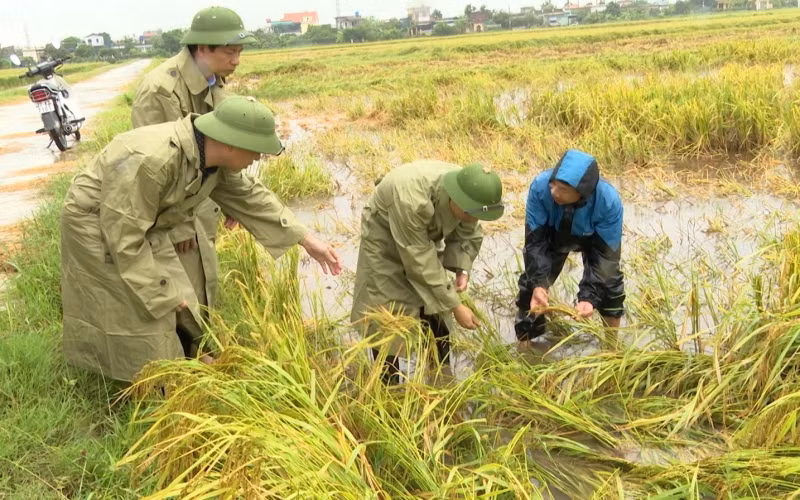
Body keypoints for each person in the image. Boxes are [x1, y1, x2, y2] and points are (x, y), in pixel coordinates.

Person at [61, 96, 341, 382]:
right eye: (256, 151)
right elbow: (124, 236)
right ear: (230, 142)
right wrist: (161, 294)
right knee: (141, 303)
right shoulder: (153, 161)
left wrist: (307, 241)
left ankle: (188, 361)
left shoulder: (212, 157)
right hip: (96, 222)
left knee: (180, 294)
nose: (258, 158)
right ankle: (154, 381)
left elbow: (251, 197)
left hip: (145, 221)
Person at [131, 6, 255, 318]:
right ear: (202, 48)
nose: (236, 60)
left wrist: (231, 202)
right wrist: (180, 226)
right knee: (178, 284)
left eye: (239, 52)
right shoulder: (161, 90)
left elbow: (218, 149)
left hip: (198, 201)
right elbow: (153, 166)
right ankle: (189, 356)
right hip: (173, 210)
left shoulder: (213, 80)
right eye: (230, 52)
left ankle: (201, 350)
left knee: (202, 279)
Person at [351, 161, 504, 384]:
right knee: (387, 309)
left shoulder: (469, 193)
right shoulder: (411, 199)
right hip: (383, 236)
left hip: (420, 234)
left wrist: (463, 269)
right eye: (470, 214)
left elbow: (468, 231)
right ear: (456, 199)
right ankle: (388, 383)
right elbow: (419, 262)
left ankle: (440, 375)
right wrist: (456, 305)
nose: (473, 219)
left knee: (434, 307)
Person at [515, 149, 624, 344]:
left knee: (611, 287)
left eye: (563, 190)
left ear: (582, 192)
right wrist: (540, 284)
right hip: (551, 234)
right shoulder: (540, 187)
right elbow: (535, 243)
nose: (554, 193)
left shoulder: (608, 202)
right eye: (554, 185)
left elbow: (605, 257)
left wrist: (589, 298)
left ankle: (611, 347)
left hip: (593, 237)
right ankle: (526, 348)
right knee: (530, 288)